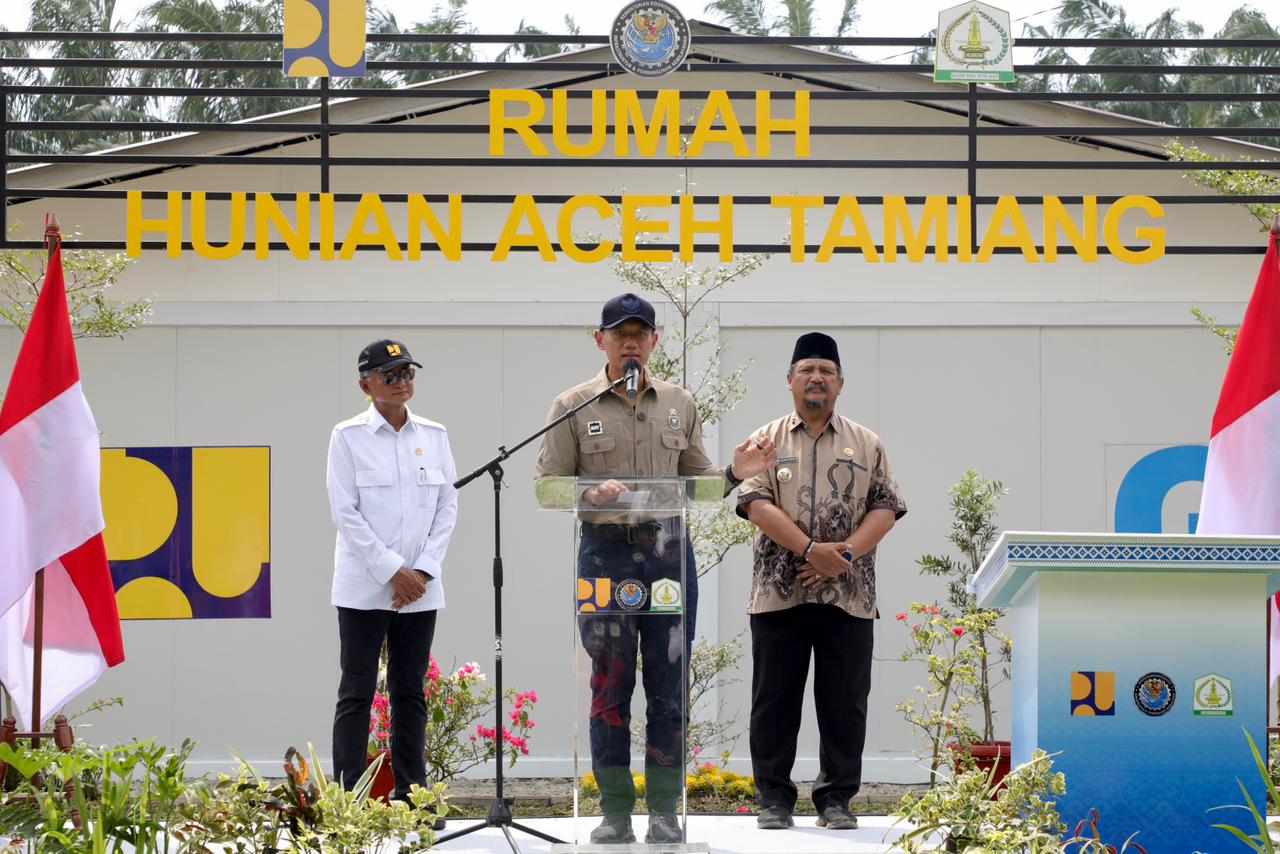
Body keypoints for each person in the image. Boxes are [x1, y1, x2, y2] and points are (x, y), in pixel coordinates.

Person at [536, 293, 776, 845]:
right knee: (609, 686)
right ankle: (615, 813)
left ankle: (665, 812)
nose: (630, 343)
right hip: (604, 557)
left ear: (654, 342)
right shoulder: (573, 405)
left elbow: (699, 485)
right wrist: (588, 492)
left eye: (640, 334)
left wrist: (735, 472)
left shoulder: (678, 402)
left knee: (668, 689)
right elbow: (547, 488)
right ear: (600, 340)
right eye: (620, 334)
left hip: (667, 558)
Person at [736, 332, 907, 832]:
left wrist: (843, 555)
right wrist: (812, 550)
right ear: (789, 380)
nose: (817, 378)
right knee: (774, 701)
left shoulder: (868, 443)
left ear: (840, 383)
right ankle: (774, 799)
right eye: (808, 370)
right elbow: (756, 504)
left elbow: (886, 508)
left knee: (845, 704)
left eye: (826, 371)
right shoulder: (764, 441)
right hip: (778, 592)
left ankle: (836, 800)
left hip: (848, 595)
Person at [327, 338, 458, 821]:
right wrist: (392, 571)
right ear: (367, 386)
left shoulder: (434, 435)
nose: (402, 382)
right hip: (365, 586)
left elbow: (447, 506)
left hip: (421, 588)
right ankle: (350, 802)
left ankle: (413, 798)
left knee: (410, 692)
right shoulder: (347, 437)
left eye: (407, 373)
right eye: (390, 375)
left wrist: (420, 572)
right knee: (357, 692)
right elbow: (345, 512)